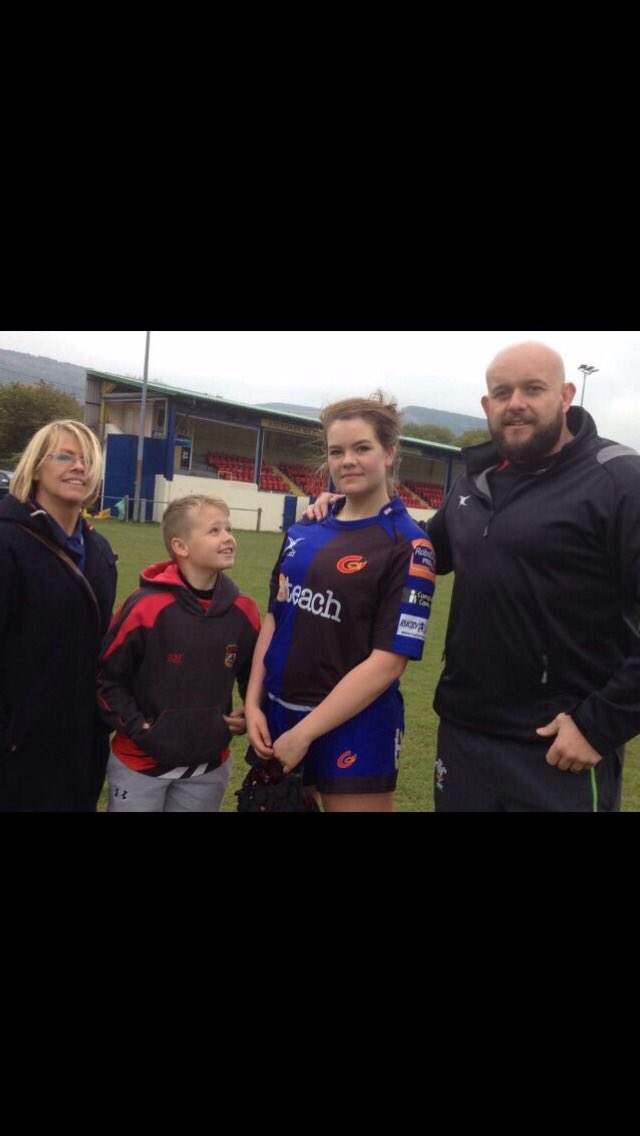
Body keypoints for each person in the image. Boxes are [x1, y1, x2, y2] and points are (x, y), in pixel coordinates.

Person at [245, 391, 435, 812]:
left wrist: (307, 732)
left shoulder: (409, 545)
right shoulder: (302, 531)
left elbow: (389, 661)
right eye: (337, 451)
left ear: (389, 452)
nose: (347, 460)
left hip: (356, 727)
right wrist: (253, 702)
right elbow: (275, 620)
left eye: (361, 448)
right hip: (278, 716)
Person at [97, 495, 260, 812]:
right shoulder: (144, 606)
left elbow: (256, 676)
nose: (228, 538)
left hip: (208, 768)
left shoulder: (245, 610)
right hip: (138, 766)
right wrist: (140, 727)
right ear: (180, 547)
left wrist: (250, 709)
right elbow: (106, 680)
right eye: (214, 531)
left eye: (229, 529)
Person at [0, 419, 117, 811]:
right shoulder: (7, 541)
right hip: (19, 748)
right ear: (35, 467)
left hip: (82, 743)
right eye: (65, 456)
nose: (79, 467)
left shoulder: (100, 552)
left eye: (87, 459)